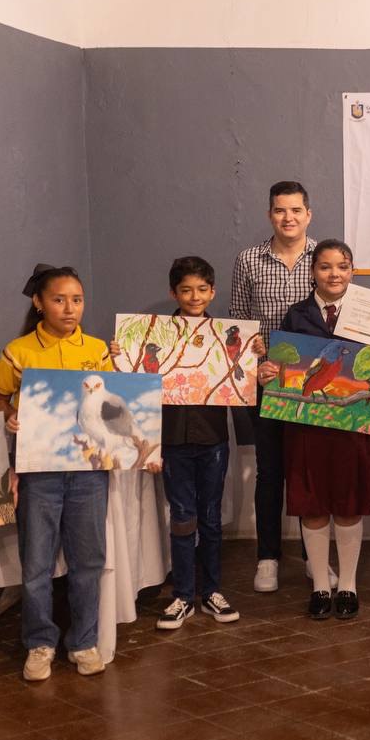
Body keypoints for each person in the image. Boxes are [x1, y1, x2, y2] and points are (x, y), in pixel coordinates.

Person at [258, 240, 370, 620]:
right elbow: (284, 370)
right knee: (311, 504)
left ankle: (347, 584)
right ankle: (319, 587)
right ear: (313, 271)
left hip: (353, 425)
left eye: (343, 267)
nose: (335, 274)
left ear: (352, 270)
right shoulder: (295, 315)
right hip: (305, 429)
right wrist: (269, 373)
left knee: (349, 503)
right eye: (326, 267)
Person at [0, 265, 112, 682]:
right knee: (37, 563)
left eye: (77, 300)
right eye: (59, 299)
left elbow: (113, 404)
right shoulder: (19, 351)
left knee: (88, 560)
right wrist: (8, 416)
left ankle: (84, 641)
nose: (69, 308)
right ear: (38, 303)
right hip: (39, 471)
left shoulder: (98, 350)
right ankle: (40, 643)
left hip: (89, 470)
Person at [110, 257, 241, 630]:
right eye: (186, 290)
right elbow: (136, 390)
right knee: (182, 518)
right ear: (173, 292)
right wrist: (121, 358)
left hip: (213, 438)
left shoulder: (225, 335)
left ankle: (212, 590)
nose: (194, 296)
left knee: (211, 516)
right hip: (171, 441)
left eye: (202, 290)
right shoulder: (152, 335)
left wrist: (251, 353)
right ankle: (183, 594)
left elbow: (238, 378)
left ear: (212, 292)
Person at [229, 181, 334, 594]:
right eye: (279, 211)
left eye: (295, 210)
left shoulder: (323, 258)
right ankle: (268, 557)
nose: (287, 218)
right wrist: (253, 360)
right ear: (269, 214)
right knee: (270, 472)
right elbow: (237, 324)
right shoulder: (249, 260)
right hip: (267, 384)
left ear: (308, 214)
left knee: (309, 471)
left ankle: (314, 557)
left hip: (312, 385)